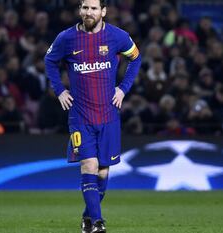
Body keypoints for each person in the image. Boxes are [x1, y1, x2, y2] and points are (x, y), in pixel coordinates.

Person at [44, 0, 141, 232]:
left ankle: (88, 217)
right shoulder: (66, 38)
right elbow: (49, 61)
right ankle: (98, 223)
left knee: (103, 172)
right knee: (89, 163)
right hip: (80, 117)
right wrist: (59, 90)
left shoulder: (118, 37)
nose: (89, 12)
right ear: (80, 10)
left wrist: (123, 88)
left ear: (103, 11)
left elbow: (136, 58)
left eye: (94, 8)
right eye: (85, 7)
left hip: (108, 116)